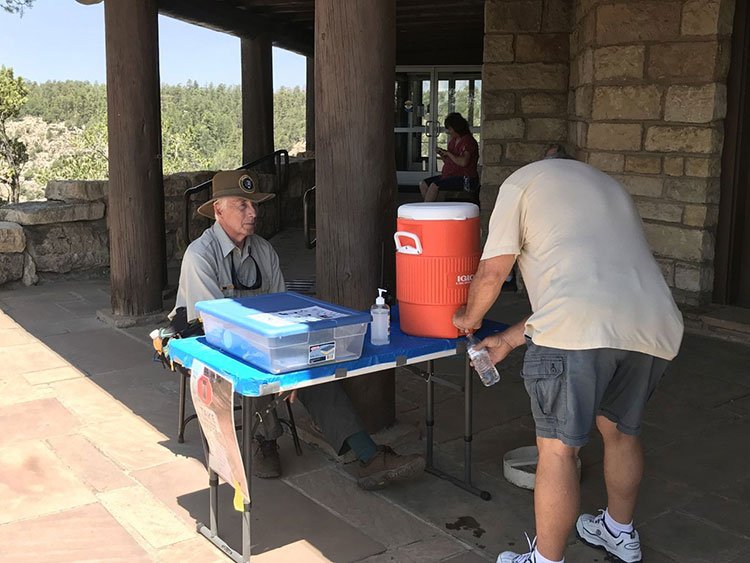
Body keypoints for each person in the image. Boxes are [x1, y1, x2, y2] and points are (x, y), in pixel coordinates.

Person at [452, 150, 684, 563]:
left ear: (544, 160)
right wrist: (506, 339)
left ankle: (546, 559)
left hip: (579, 331)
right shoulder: (611, 188)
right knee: (621, 432)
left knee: (559, 450)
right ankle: (618, 531)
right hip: (655, 325)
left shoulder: (523, 182)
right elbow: (586, 288)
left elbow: (492, 272)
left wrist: (467, 318)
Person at [172, 169, 425, 489]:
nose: (253, 213)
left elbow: (284, 310)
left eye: (254, 205)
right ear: (218, 209)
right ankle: (266, 438)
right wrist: (281, 367)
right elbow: (216, 331)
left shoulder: (263, 250)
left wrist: (297, 359)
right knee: (262, 367)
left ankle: (365, 456)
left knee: (313, 365)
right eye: (242, 205)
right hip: (211, 340)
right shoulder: (200, 255)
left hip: (262, 337)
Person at [419, 112, 480, 202]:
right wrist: (442, 154)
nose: (448, 132)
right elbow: (450, 161)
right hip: (449, 175)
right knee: (423, 184)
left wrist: (448, 153)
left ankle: (426, 211)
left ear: (456, 128)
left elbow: (463, 162)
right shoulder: (453, 141)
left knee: (434, 186)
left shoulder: (468, 141)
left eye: (450, 129)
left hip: (465, 178)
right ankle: (431, 207)